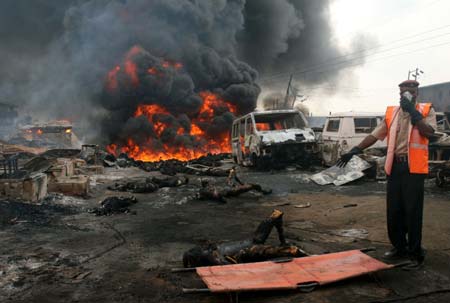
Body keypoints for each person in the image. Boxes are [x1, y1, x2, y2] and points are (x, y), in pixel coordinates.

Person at [337, 79, 437, 270]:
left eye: (411, 92)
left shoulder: (426, 110)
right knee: (394, 210)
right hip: (395, 167)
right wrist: (354, 149)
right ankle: (399, 247)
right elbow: (375, 135)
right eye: (403, 93)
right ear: (399, 94)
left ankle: (416, 254)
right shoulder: (392, 113)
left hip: (413, 168)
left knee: (413, 211)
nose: (407, 95)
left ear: (417, 94)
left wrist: (413, 112)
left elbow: (429, 133)